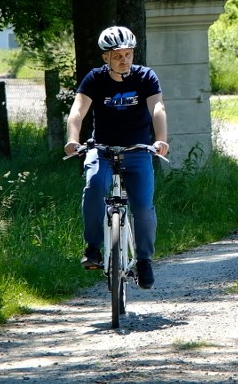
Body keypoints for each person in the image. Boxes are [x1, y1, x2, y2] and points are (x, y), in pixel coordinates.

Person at [64, 26, 169, 289]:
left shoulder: (145, 77)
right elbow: (77, 110)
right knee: (94, 186)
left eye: (128, 54)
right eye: (117, 55)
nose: (124, 60)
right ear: (106, 58)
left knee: (143, 206)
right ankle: (93, 248)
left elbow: (157, 107)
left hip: (138, 150)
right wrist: (72, 139)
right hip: (102, 149)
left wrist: (160, 139)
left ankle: (144, 260)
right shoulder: (95, 79)